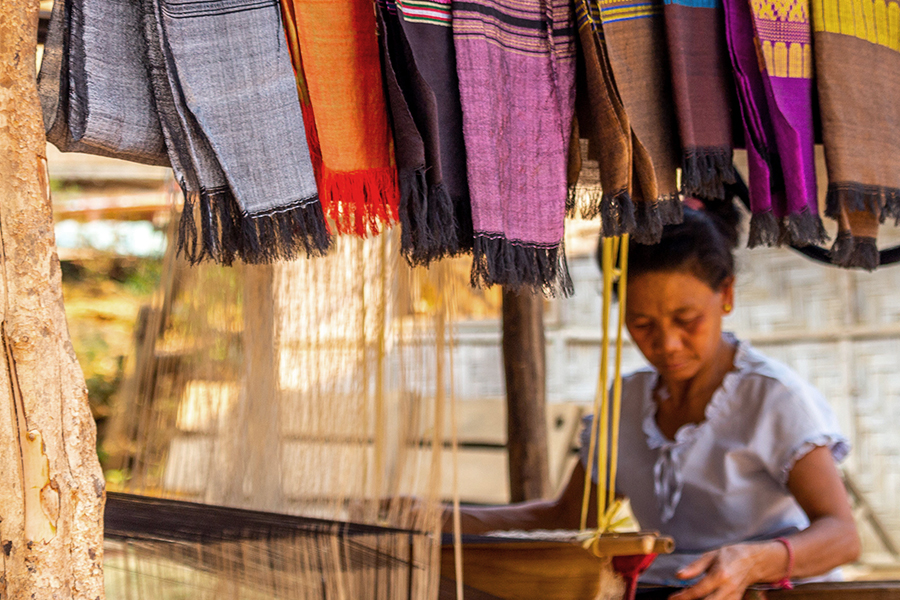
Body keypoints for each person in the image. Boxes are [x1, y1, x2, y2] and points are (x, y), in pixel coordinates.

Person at [447, 201, 860, 599]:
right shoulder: (626, 403)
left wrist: (752, 562)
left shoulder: (773, 399)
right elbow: (565, 516)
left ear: (726, 294)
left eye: (687, 320)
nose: (667, 344)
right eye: (642, 324)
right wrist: (440, 518)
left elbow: (842, 535)